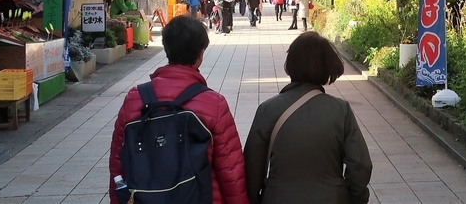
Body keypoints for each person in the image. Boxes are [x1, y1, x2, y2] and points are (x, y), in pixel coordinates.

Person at [109, 16, 248, 204]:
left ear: (166, 49)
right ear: (200, 54)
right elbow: (231, 171)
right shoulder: (213, 103)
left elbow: (118, 163)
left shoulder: (135, 98)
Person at [243, 31, 372, 204]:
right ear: (327, 67)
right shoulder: (340, 110)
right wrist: (355, 198)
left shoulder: (267, 109)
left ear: (291, 64)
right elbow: (361, 165)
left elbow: (252, 167)